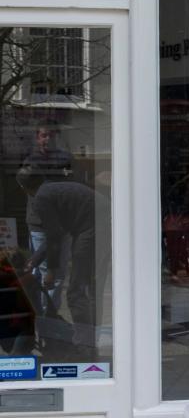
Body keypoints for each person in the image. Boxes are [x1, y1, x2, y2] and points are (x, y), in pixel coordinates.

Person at [17, 173, 110, 356]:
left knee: (76, 292)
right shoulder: (53, 189)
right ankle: (89, 343)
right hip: (97, 223)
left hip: (92, 227)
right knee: (89, 289)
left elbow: (54, 237)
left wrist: (51, 270)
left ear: (23, 188)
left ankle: (85, 347)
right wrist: (34, 260)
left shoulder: (42, 198)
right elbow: (59, 232)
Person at [22, 126, 72, 312]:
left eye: (51, 135)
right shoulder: (31, 162)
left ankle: (48, 319)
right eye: (44, 135)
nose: (48, 139)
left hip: (63, 224)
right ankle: (44, 320)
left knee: (55, 274)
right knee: (42, 272)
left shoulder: (65, 160)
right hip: (41, 225)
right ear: (37, 138)